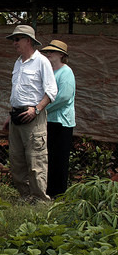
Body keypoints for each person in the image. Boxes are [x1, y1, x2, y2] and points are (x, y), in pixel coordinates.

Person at [2, 25, 58, 202]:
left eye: (17, 39)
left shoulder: (41, 61)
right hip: (17, 116)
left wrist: (37, 109)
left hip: (33, 116)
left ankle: (40, 199)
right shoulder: (18, 62)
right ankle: (25, 196)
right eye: (13, 40)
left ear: (28, 40)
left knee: (36, 160)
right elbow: (17, 93)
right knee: (16, 159)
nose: (14, 43)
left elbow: (51, 91)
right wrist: (10, 115)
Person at [42, 40, 76, 198]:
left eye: (52, 52)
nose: (48, 54)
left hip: (62, 122)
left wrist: (41, 108)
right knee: (47, 157)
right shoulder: (49, 72)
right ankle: (48, 191)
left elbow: (63, 97)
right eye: (47, 52)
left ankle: (59, 193)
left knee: (59, 158)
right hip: (47, 121)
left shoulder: (66, 72)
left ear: (61, 55)